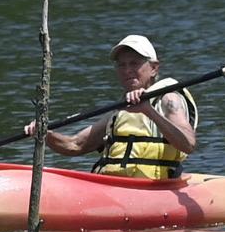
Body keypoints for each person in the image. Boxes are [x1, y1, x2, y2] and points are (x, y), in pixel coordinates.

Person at [23, 35, 198, 179]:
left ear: (153, 68)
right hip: (114, 185)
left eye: (134, 63)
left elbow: (188, 144)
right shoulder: (121, 110)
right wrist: (46, 134)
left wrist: (149, 112)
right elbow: (75, 145)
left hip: (154, 189)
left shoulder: (168, 99)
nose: (127, 70)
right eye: (121, 65)